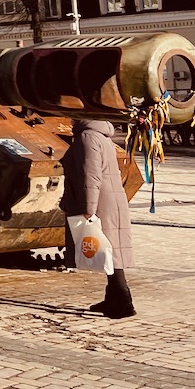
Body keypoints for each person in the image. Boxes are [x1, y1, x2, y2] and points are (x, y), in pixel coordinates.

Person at [60, 119, 135, 318]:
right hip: (109, 198)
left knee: (108, 251)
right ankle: (116, 299)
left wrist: (88, 209)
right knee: (111, 251)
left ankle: (122, 302)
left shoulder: (87, 137)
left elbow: (90, 175)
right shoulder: (102, 136)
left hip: (100, 200)